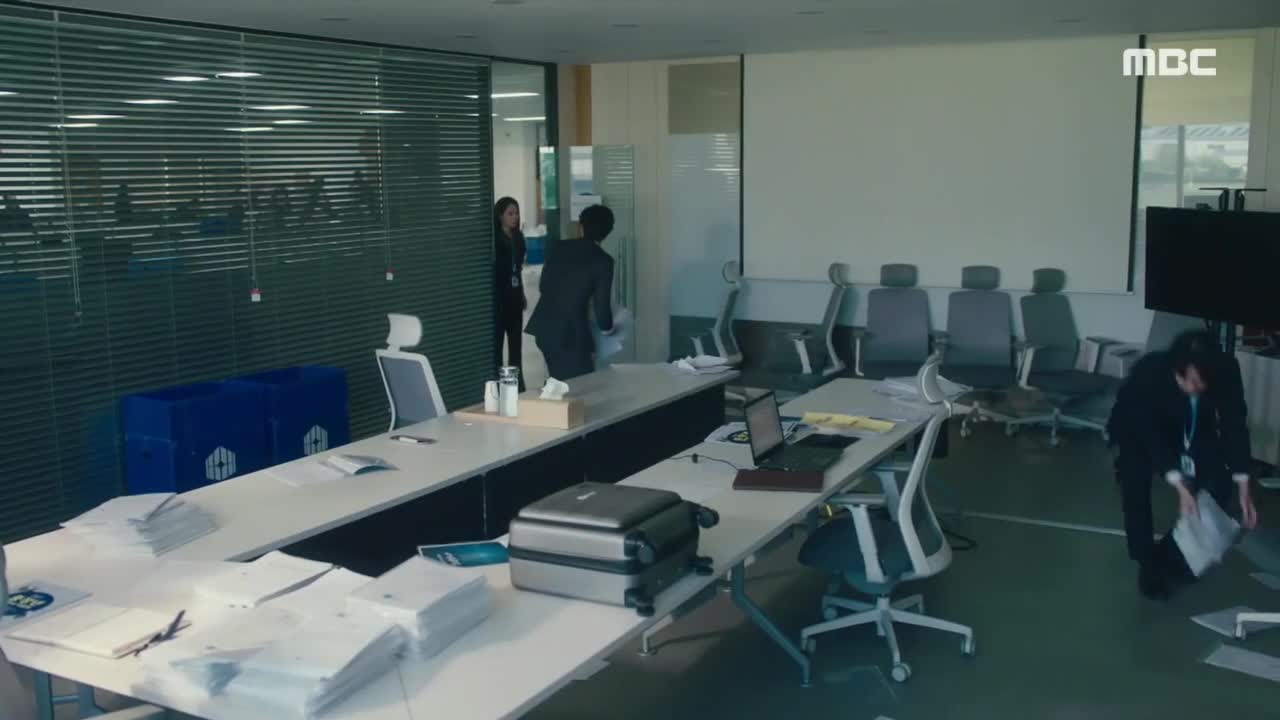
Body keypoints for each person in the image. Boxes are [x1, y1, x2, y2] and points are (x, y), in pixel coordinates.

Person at [1107, 329, 1259, 601]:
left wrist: (1244, 486)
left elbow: (1234, 425)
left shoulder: (1226, 370)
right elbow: (1150, 436)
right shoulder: (1150, 373)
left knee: (1218, 480)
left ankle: (1173, 556)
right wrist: (1179, 484)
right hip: (1138, 429)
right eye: (1191, 381)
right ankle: (1147, 565)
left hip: (1192, 423)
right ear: (1177, 370)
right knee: (1136, 489)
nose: (1196, 388)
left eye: (1203, 383)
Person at [525, 204, 616, 382]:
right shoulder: (603, 261)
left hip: (544, 328)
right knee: (578, 387)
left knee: (559, 380)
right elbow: (602, 308)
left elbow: (543, 286)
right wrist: (609, 329)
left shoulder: (557, 247)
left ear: (581, 226)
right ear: (608, 232)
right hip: (570, 336)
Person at [493, 197, 527, 391]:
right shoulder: (495, 239)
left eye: (516, 213)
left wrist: (522, 294)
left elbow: (518, 269)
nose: (514, 217)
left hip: (514, 298)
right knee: (496, 348)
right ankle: (497, 387)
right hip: (499, 300)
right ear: (500, 216)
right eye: (510, 214)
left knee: (516, 347)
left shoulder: (518, 237)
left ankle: (518, 387)